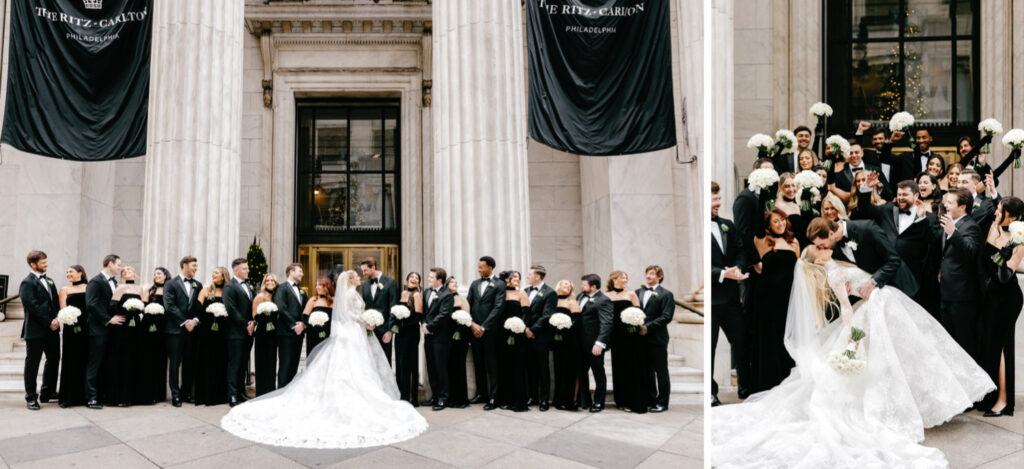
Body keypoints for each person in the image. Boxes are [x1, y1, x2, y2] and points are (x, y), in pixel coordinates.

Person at [711, 246, 994, 468]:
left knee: (914, 354)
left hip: (884, 304)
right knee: (894, 360)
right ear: (818, 258)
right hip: (874, 310)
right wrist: (851, 335)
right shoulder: (833, 273)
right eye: (821, 248)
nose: (826, 248)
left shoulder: (837, 265)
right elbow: (847, 309)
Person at [221, 270, 428, 448]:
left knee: (359, 368)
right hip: (351, 332)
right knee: (348, 367)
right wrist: (365, 322)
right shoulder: (348, 293)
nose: (358, 278)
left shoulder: (353, 292)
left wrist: (365, 322)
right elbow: (346, 315)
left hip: (355, 333)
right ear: (351, 280)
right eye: (356, 276)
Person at [977, 198, 1024, 417]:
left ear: (1012, 216)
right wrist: (999, 253)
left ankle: (1004, 400)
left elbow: (1006, 275)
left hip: (1008, 297)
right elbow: (987, 260)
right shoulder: (993, 228)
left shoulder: (1019, 239)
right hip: (991, 295)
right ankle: (992, 396)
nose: (996, 212)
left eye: (1000, 210)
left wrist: (1001, 254)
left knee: (1003, 346)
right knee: (990, 345)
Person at [749, 209, 799, 392]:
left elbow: (799, 269)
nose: (781, 224)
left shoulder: (794, 242)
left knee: (786, 338)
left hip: (788, 297)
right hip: (767, 298)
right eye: (776, 221)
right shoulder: (762, 241)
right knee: (769, 339)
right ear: (768, 225)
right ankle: (768, 383)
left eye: (783, 220)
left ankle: (787, 382)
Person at [711, 183, 750, 406]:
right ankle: (711, 392)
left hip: (732, 299)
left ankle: (745, 388)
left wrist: (738, 269)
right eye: (715, 199)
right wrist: (721, 273)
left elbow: (741, 250)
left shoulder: (728, 225)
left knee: (742, 341)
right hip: (713, 300)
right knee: (711, 347)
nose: (719, 203)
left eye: (719, 198)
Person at [19, 250, 61, 411]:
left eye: (46, 262)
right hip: (36, 330)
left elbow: (55, 302)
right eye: (43, 263)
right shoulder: (27, 283)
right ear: (33, 264)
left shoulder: (49, 280)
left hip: (53, 329)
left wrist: (57, 318)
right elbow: (32, 306)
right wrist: (48, 321)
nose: (46, 265)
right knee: (33, 364)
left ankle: (47, 392)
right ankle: (31, 397)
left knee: (54, 359)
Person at [466, 256, 506, 410]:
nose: (479, 269)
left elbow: (498, 307)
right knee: (478, 363)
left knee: (491, 364)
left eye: (481, 267)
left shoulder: (499, 284)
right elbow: (468, 304)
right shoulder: (474, 284)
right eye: (478, 267)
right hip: (474, 330)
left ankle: (494, 397)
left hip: (490, 332)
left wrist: (483, 327)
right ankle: (481, 394)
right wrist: (472, 324)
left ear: (490, 267)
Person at [85, 254, 124, 409]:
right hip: (97, 329)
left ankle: (104, 394)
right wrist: (108, 319)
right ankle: (91, 398)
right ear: (110, 263)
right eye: (118, 265)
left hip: (111, 331)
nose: (119, 268)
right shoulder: (95, 281)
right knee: (94, 363)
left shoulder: (114, 282)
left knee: (106, 363)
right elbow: (92, 304)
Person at [163, 256, 202, 407]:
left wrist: (195, 321)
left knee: (189, 362)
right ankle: (175, 395)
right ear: (184, 265)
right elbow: (170, 305)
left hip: (192, 330)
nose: (196, 268)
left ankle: (186, 393)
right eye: (193, 265)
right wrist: (184, 321)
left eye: (196, 266)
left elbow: (199, 308)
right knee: (175, 363)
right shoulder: (171, 283)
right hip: (175, 330)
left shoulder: (197, 285)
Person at [638, 265, 676, 413]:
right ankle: (650, 399)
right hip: (641, 339)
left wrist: (647, 327)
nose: (648, 276)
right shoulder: (639, 292)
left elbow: (667, 316)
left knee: (661, 371)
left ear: (659, 276)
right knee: (647, 371)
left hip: (658, 338)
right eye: (647, 274)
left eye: (652, 274)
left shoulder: (666, 294)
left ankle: (662, 402)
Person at [105, 266, 143, 406]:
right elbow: (112, 307)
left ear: (134, 273)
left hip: (135, 326)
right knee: (120, 359)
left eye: (129, 270)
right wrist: (128, 310)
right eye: (123, 271)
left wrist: (137, 310)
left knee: (133, 358)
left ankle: (131, 396)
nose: (126, 272)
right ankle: (119, 397)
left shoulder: (140, 289)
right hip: (122, 326)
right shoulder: (120, 288)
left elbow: (143, 306)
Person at [577, 274, 613, 412]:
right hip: (580, 343)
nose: (581, 287)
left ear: (593, 287)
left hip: (594, 344)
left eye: (584, 285)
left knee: (598, 372)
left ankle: (599, 402)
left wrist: (600, 343)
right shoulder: (580, 296)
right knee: (581, 372)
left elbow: (607, 323)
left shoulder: (604, 300)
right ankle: (584, 400)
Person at [195, 267, 230, 406]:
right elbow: (198, 308)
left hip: (223, 332)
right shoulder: (206, 290)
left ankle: (220, 395)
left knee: (222, 361)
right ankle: (205, 395)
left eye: (216, 273)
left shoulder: (228, 291)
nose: (213, 275)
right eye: (212, 273)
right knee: (207, 360)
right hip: (207, 332)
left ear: (223, 275)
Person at [223, 258, 255, 407]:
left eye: (247, 268)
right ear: (236, 270)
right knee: (234, 364)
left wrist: (253, 323)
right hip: (235, 333)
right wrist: (245, 325)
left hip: (248, 332)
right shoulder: (229, 287)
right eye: (244, 269)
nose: (247, 270)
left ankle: (241, 393)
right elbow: (231, 309)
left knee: (243, 364)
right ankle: (232, 395)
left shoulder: (248, 286)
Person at [523, 265, 556, 410]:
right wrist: (524, 328)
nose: (527, 276)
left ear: (538, 276)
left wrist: (533, 330)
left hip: (541, 336)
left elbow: (547, 315)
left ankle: (544, 400)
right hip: (525, 335)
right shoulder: (525, 291)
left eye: (530, 274)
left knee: (543, 368)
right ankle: (532, 397)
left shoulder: (550, 293)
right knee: (530, 368)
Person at [422, 268, 454, 410]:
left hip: (441, 337)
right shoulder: (427, 292)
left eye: (431, 277)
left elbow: (444, 314)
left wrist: (430, 327)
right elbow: (423, 311)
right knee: (431, 367)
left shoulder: (447, 295)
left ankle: (443, 398)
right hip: (427, 335)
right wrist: (423, 323)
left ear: (439, 279)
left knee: (440, 367)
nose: (428, 279)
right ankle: (434, 396)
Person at [57, 265, 89, 408]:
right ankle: (67, 397)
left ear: (80, 273)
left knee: (85, 359)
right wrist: (68, 319)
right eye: (67, 272)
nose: (68, 274)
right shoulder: (65, 290)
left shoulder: (89, 288)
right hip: (71, 328)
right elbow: (63, 310)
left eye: (71, 271)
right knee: (70, 359)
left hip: (87, 328)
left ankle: (84, 395)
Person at [137, 267, 170, 404]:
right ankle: (148, 393)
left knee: (161, 358)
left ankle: (160, 393)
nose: (156, 276)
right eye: (154, 274)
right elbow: (143, 306)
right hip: (149, 327)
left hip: (164, 327)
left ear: (166, 276)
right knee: (148, 358)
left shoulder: (170, 290)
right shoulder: (149, 290)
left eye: (159, 274)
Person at [273, 263, 307, 388]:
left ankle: (290, 390)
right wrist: (294, 325)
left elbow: (305, 310)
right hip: (286, 333)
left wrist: (303, 324)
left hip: (299, 333)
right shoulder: (282, 288)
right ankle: (281, 390)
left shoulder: (302, 291)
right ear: (291, 272)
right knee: (285, 364)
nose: (302, 274)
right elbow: (281, 308)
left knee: (294, 364)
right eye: (300, 271)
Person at [360, 258, 399, 363]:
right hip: (369, 330)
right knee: (370, 361)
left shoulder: (390, 282)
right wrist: (365, 324)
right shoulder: (365, 285)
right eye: (362, 271)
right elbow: (364, 306)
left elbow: (393, 307)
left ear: (373, 267)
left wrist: (390, 331)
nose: (363, 273)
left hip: (385, 329)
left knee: (385, 360)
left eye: (365, 270)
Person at [550, 280, 581, 411]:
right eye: (565, 284)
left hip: (569, 341)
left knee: (568, 370)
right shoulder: (553, 301)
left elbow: (578, 321)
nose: (567, 287)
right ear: (559, 286)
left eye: (569, 286)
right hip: (556, 341)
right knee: (558, 369)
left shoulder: (572, 302)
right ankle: (558, 399)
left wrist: (565, 328)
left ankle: (568, 400)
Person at [394, 272, 424, 406]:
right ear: (407, 279)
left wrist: (404, 320)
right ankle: (402, 393)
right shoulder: (403, 293)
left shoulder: (417, 295)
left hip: (411, 332)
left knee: (410, 363)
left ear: (418, 282)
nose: (413, 279)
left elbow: (418, 316)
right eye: (411, 277)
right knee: (401, 362)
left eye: (416, 278)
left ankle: (412, 397)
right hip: (400, 332)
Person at [251, 274, 279, 397]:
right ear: (264, 283)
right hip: (263, 332)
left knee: (272, 360)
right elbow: (254, 314)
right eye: (267, 280)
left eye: (272, 280)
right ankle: (262, 391)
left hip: (274, 333)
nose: (269, 282)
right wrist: (264, 318)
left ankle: (271, 389)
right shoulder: (260, 296)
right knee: (262, 360)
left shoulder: (277, 296)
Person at [446, 277, 470, 408]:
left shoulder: (462, 299)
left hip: (460, 337)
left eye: (455, 282)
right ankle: (450, 397)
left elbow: (467, 317)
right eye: (451, 282)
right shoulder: (444, 299)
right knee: (449, 366)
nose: (454, 284)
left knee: (459, 366)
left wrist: (459, 330)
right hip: (447, 337)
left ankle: (461, 399)